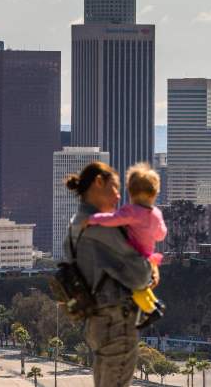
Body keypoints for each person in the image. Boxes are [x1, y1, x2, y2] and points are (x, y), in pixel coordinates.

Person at [64, 161, 157, 387]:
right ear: (98, 182)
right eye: (114, 188)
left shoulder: (75, 225)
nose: (118, 197)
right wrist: (151, 268)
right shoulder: (104, 228)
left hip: (95, 321)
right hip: (117, 323)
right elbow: (139, 277)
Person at [83, 163, 167, 325]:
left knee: (132, 287)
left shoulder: (132, 211)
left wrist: (92, 219)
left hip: (133, 259)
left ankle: (151, 310)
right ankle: (155, 304)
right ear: (155, 193)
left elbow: (112, 219)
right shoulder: (156, 214)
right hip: (149, 260)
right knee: (141, 287)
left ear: (130, 192)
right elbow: (161, 234)